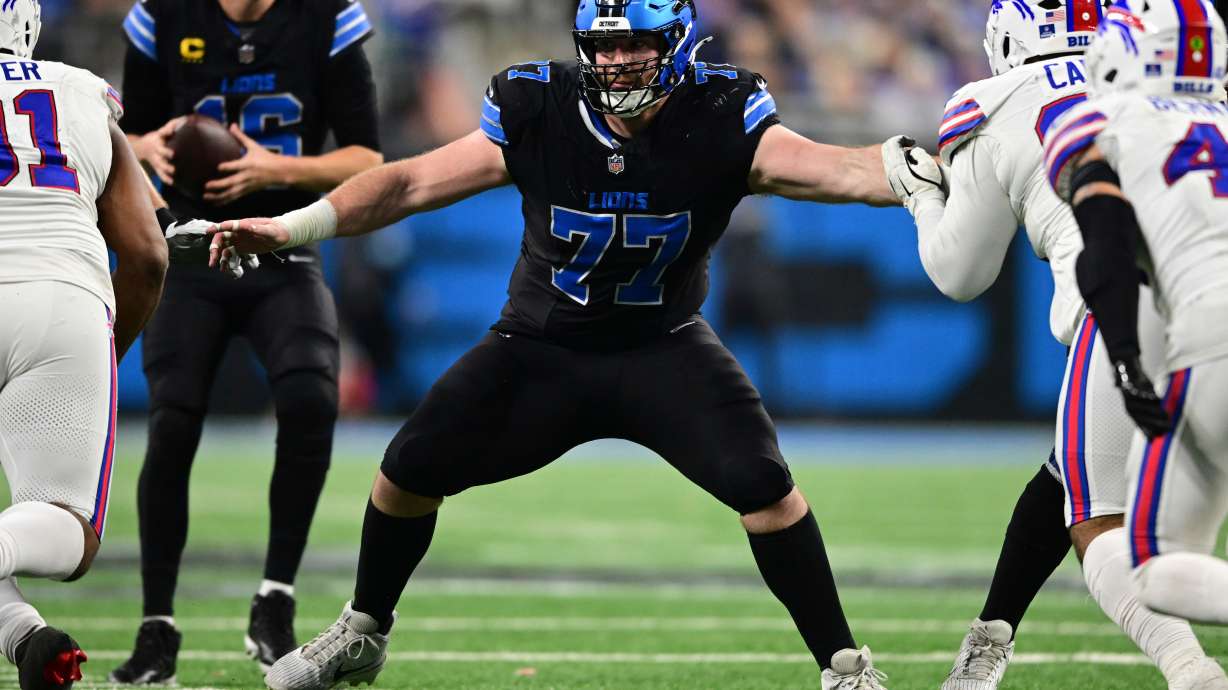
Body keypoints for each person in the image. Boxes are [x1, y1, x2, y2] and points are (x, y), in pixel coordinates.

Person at [212, 1, 903, 688]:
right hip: (540, 345)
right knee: (406, 471)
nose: (613, 62)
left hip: (663, 347)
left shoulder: (723, 109)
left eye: (633, 45)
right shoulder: (538, 104)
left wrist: (911, 173)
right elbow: (411, 182)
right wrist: (290, 227)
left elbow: (835, 169)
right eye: (601, 48)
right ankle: (363, 632)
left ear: (678, 45)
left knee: (766, 489)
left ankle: (843, 668)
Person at [881, 1, 1228, 687]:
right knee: (1069, 473)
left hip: (1149, 311)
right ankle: (989, 644)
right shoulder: (1214, 113)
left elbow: (963, 274)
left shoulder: (1049, 110)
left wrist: (921, 197)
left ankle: (1190, 670)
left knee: (1109, 531)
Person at [111, 0, 383, 681]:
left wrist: (275, 172)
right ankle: (156, 629)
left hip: (281, 245)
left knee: (311, 399)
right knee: (172, 422)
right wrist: (149, 146)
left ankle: (276, 598)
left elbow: (366, 156)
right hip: (188, 247)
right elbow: (125, 137)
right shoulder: (163, 16)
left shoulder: (327, 18)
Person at [0, 0, 169, 687]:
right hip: (62, 298)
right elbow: (148, 254)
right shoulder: (80, 90)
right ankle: (22, 636)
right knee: (69, 528)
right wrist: (106, 350)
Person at [1045, 0, 1228, 631]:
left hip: (1211, 342)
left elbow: (1107, 256)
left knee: (1158, 569)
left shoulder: (1101, 119)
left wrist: (1124, 358)